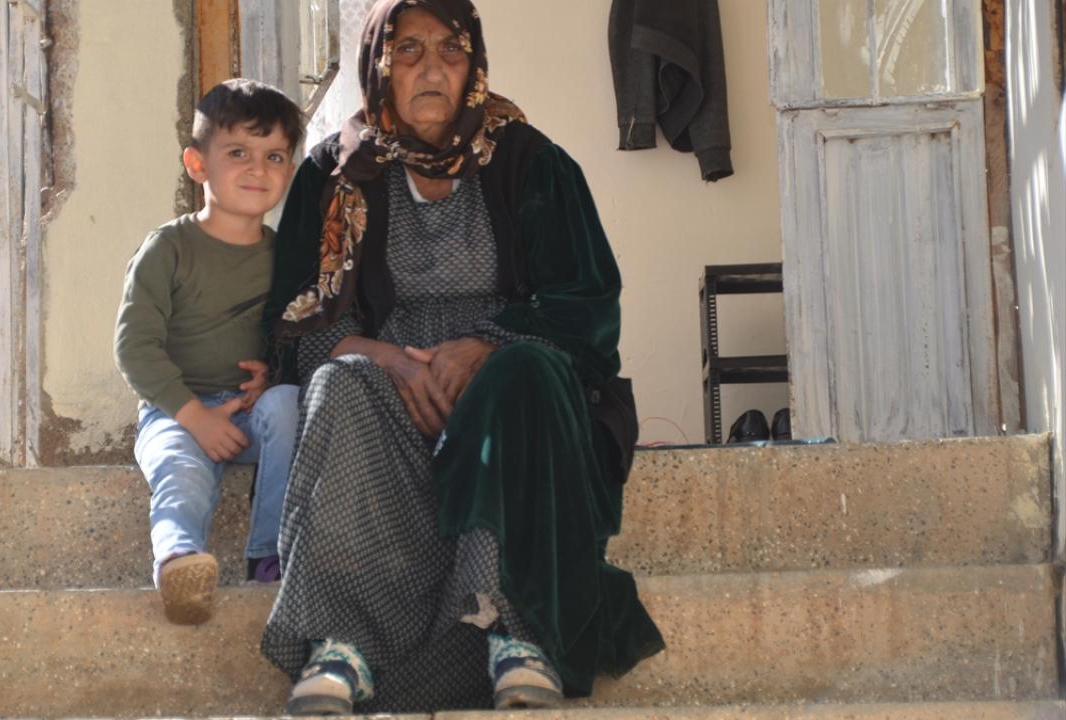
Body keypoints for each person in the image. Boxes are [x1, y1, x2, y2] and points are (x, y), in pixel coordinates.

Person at [259, 0, 665, 713]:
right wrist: (394, 361)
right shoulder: (334, 173)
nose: (431, 69)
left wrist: (485, 347)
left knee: (518, 375)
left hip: (513, 392)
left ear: (473, 64)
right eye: (409, 50)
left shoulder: (533, 162)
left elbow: (588, 304)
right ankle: (344, 643)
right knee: (340, 382)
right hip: (396, 392)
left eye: (450, 50)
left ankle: (514, 632)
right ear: (379, 65)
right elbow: (297, 322)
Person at [114, 79, 303, 625]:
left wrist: (272, 374)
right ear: (197, 164)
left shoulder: (286, 257)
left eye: (274, 156)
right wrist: (193, 415)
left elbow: (295, 331)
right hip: (176, 412)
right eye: (238, 152)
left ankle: (270, 557)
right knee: (179, 471)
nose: (258, 168)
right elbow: (134, 345)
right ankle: (179, 560)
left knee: (289, 405)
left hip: (248, 414)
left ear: (289, 171)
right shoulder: (168, 249)